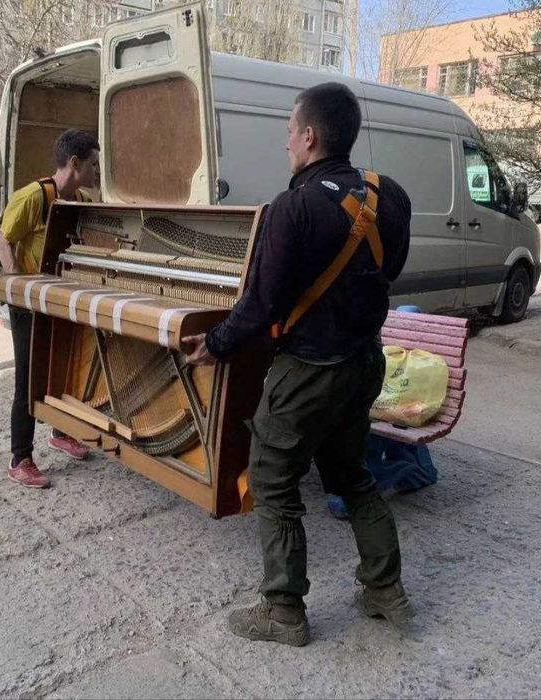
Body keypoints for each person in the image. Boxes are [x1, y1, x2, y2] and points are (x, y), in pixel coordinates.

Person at [183, 82, 413, 646]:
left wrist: (215, 345)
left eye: (289, 130)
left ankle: (284, 610)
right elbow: (391, 271)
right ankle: (386, 591)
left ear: (309, 137)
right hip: (364, 363)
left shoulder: (293, 207)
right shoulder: (391, 195)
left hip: (309, 370)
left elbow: (260, 307)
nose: (286, 141)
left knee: (271, 478)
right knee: (351, 474)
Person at [0, 129, 101, 489]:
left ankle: (61, 431)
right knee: (28, 377)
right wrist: (18, 288)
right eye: (92, 165)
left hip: (61, 300)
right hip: (30, 303)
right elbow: (4, 241)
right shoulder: (32, 197)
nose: (96, 172)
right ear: (75, 164)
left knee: (66, 369)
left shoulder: (82, 198)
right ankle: (20, 457)